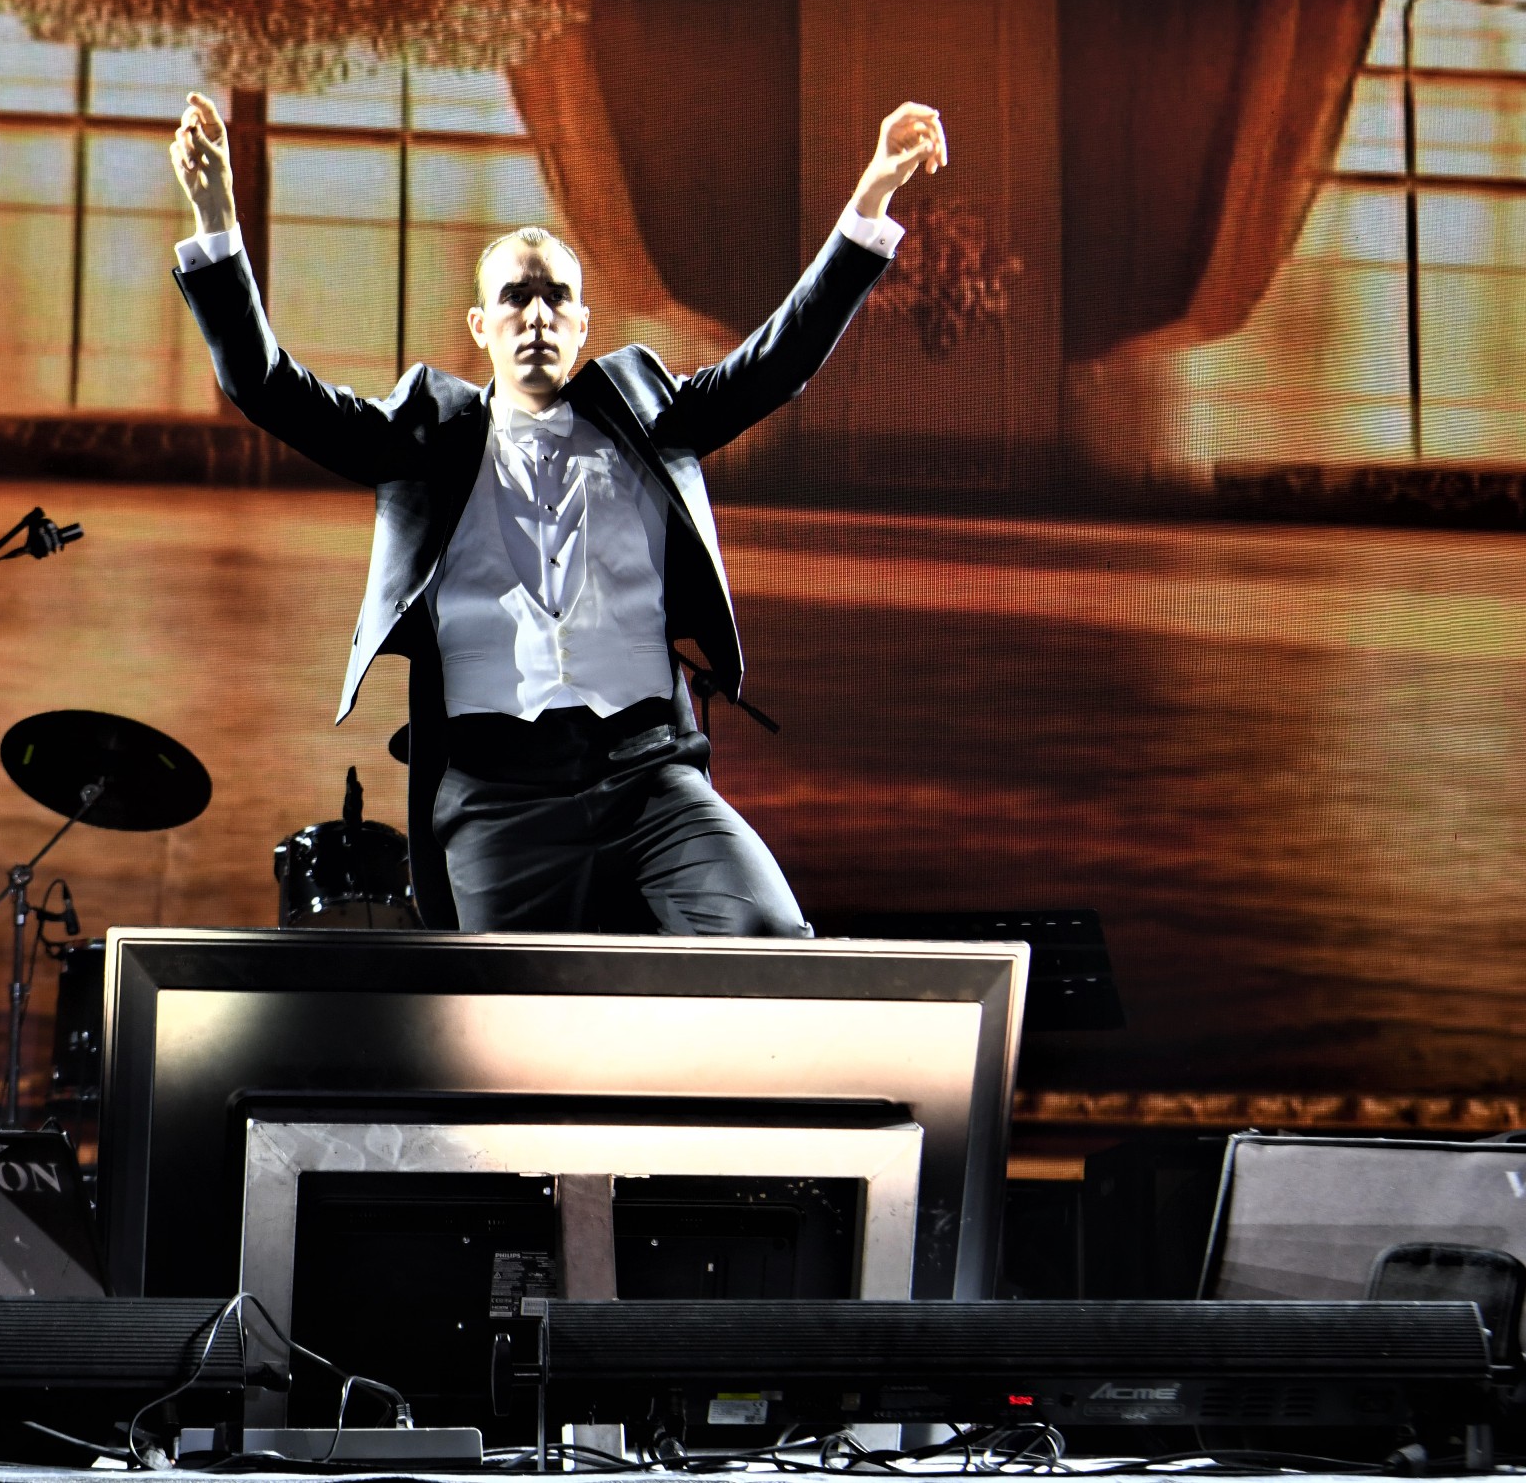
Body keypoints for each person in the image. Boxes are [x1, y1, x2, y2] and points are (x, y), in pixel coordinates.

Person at [169, 91, 947, 935]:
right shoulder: (424, 437)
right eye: (515, 297)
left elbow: (778, 362)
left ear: (582, 325)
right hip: (499, 800)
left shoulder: (652, 415)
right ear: (480, 325)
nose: (536, 314)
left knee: (767, 944)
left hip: (652, 780)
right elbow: (267, 386)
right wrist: (216, 222)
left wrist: (871, 198)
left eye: (555, 298)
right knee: (517, 1005)